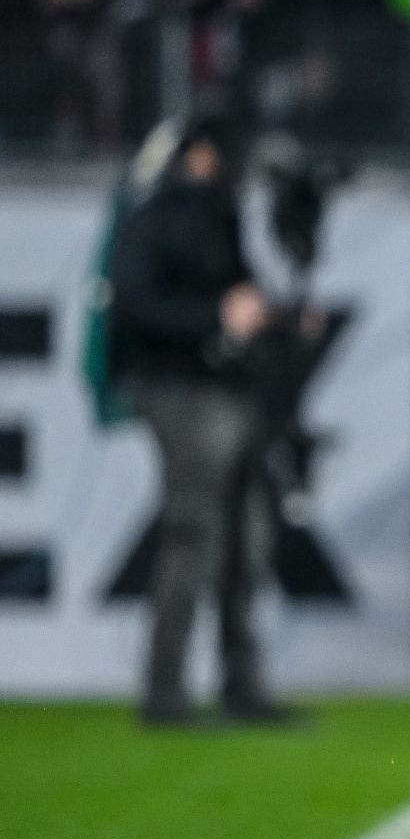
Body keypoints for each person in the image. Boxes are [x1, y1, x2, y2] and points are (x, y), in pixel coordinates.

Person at [109, 113, 285, 727]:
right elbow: (133, 306)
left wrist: (270, 315)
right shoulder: (154, 217)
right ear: (204, 154)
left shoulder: (218, 214)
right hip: (179, 388)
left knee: (246, 541)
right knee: (194, 535)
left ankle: (243, 685)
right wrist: (216, 316)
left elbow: (239, 289)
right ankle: (165, 690)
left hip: (228, 388)